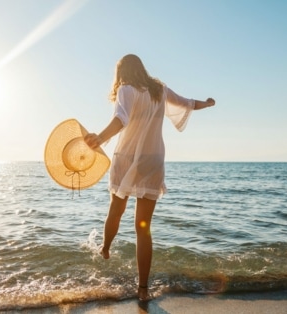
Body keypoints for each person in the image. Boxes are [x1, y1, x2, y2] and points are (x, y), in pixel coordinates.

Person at [84, 54, 215, 301]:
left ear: (121, 73)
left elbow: (120, 119)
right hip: (153, 161)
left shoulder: (125, 89)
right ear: (142, 69)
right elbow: (187, 103)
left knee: (116, 210)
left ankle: (105, 249)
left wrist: (100, 138)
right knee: (143, 229)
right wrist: (207, 104)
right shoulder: (160, 90)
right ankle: (143, 289)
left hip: (128, 158)